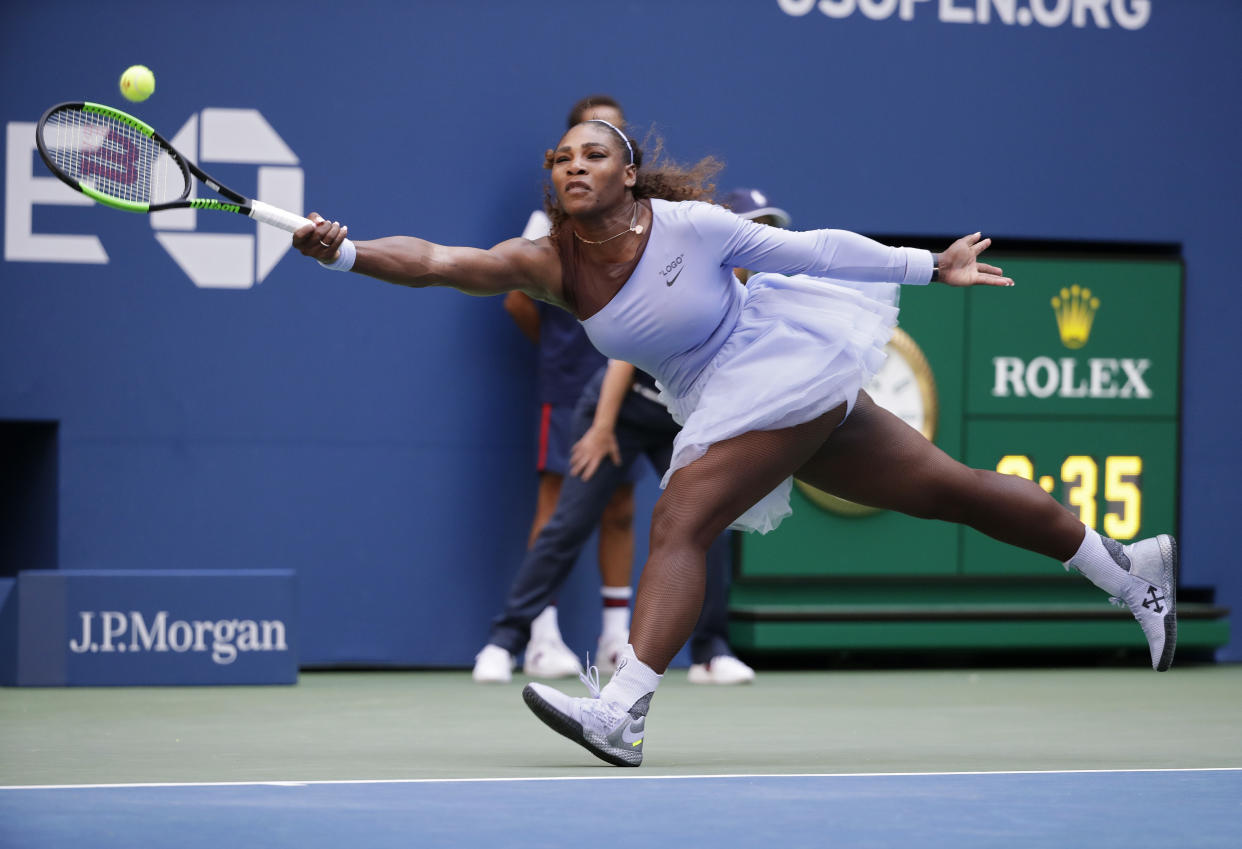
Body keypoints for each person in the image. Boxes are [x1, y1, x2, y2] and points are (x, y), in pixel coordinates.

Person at [293, 118, 1178, 769]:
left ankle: (624, 710)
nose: (572, 167)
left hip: (777, 359)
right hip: (722, 394)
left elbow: (814, 252)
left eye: (592, 154)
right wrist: (346, 252)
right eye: (559, 159)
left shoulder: (687, 228)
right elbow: (442, 263)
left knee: (681, 516)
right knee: (949, 487)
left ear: (630, 172)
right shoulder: (550, 263)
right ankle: (1126, 566)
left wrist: (928, 266)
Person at [477, 95, 637, 682]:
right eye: (579, 143)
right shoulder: (548, 223)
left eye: (609, 137)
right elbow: (520, 298)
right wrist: (563, 349)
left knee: (620, 505)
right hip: (569, 381)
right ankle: (540, 637)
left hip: (634, 381)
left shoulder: (645, 220)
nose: (588, 156)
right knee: (558, 505)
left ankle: (617, 638)